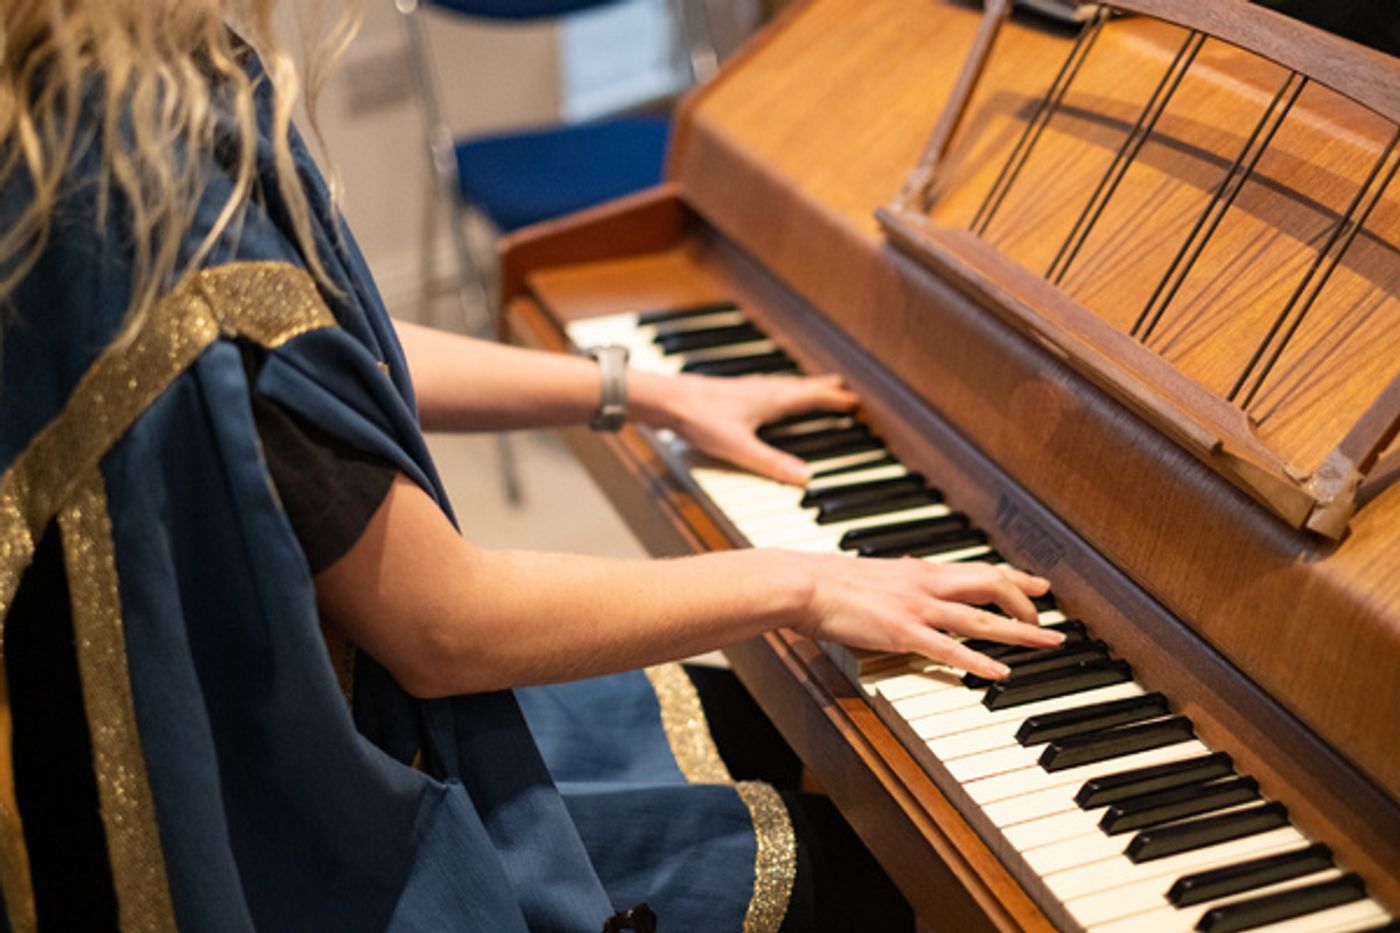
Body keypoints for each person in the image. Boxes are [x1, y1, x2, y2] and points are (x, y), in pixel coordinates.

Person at [0, 2, 1058, 931]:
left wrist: (636, 388)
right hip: (286, 817)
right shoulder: (129, 195)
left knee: (771, 726)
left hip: (261, 721)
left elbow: (303, 366)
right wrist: (804, 581)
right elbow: (443, 629)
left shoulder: (76, 105)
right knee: (870, 856)